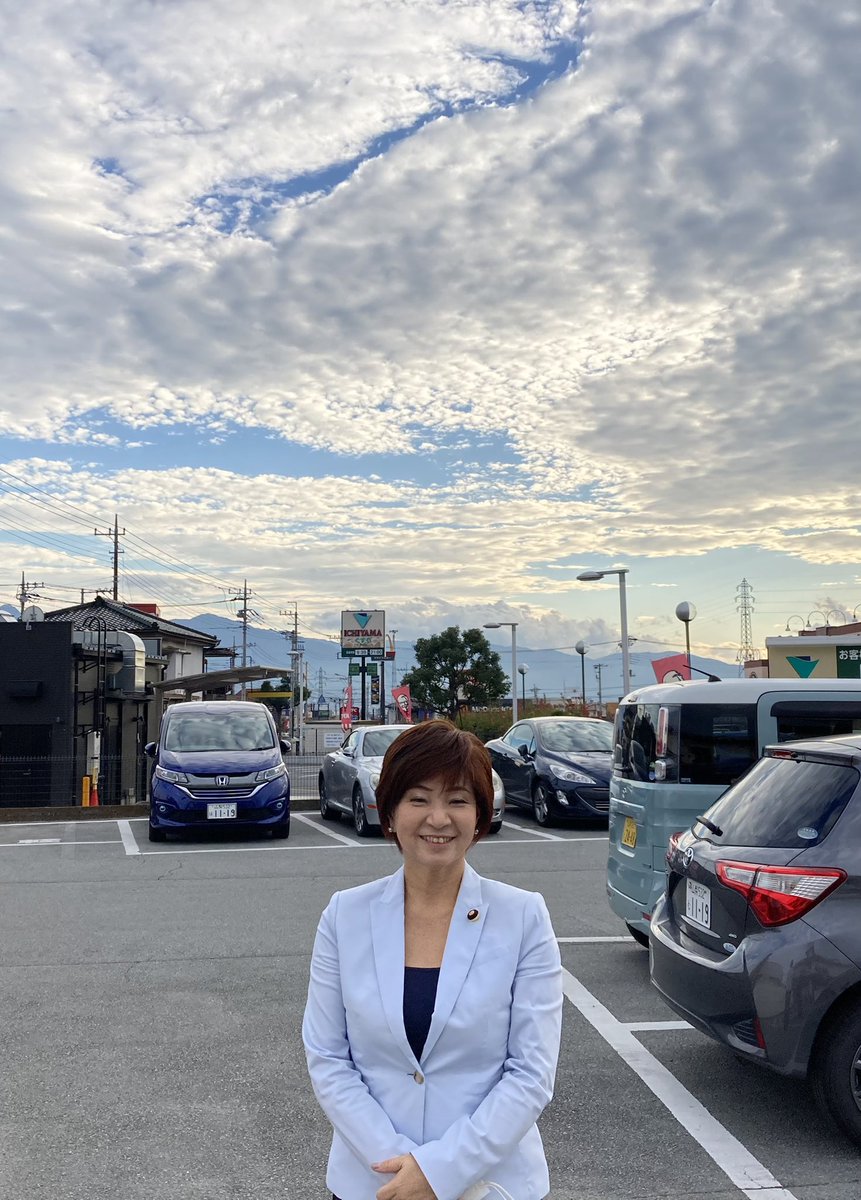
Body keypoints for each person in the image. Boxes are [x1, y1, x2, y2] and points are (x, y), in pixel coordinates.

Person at [303, 719, 562, 1200]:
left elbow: (531, 1072)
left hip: (491, 1184)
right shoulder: (345, 915)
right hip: (374, 1182)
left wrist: (439, 1172)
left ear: (480, 815)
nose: (438, 819)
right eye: (418, 799)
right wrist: (401, 1169)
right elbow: (329, 1058)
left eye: (458, 801)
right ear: (390, 811)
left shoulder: (523, 916)